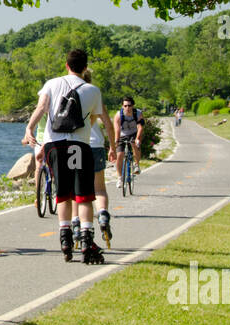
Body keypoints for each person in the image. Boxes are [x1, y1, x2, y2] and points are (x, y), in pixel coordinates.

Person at [21, 48, 114, 262]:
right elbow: (105, 122)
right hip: (79, 145)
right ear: (85, 67)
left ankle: (65, 239)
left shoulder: (51, 84)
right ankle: (87, 241)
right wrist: (113, 146)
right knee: (83, 196)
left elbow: (41, 107)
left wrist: (29, 128)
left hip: (55, 145)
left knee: (62, 193)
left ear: (66, 65)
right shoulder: (93, 90)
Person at [81, 69, 113, 248]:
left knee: (77, 191)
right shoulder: (95, 94)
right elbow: (108, 124)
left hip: (77, 146)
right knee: (99, 188)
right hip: (96, 146)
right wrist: (113, 148)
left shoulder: (71, 92)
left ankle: (78, 226)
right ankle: (102, 215)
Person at [113, 97, 145, 180]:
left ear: (133, 106)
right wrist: (116, 141)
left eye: (129, 106)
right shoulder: (118, 115)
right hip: (122, 134)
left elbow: (140, 127)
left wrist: (138, 139)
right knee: (119, 154)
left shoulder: (138, 113)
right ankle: (120, 177)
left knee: (134, 144)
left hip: (135, 133)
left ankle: (136, 165)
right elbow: (117, 129)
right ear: (122, 106)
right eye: (125, 106)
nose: (127, 108)